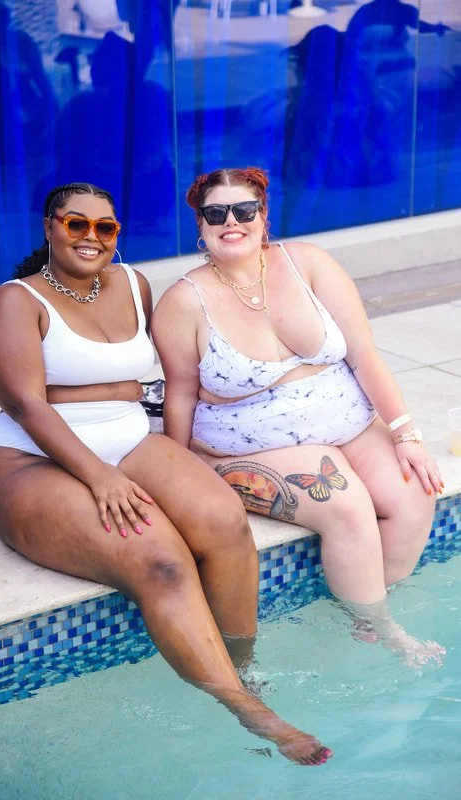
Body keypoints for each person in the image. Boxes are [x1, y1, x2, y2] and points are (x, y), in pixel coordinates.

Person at [0, 181, 332, 765]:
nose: (91, 237)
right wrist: (100, 476)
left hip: (127, 437)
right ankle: (247, 709)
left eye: (105, 227)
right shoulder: (16, 301)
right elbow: (28, 405)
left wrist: (119, 399)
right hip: (30, 460)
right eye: (76, 224)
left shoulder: (135, 285)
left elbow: (152, 380)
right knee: (161, 560)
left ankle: (240, 669)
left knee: (223, 521)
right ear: (49, 227)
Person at [152, 167, 445, 666]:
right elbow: (179, 395)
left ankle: (365, 610)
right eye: (215, 213)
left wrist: (405, 433)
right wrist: (180, 476)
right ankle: (383, 629)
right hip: (249, 446)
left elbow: (364, 355)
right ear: (199, 226)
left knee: (416, 491)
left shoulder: (307, 263)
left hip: (347, 425)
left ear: (263, 218)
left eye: (244, 210)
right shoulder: (184, 302)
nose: (231, 221)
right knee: (347, 507)